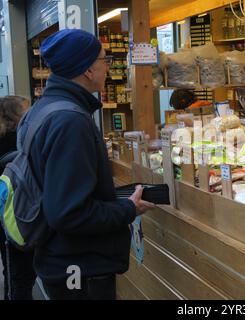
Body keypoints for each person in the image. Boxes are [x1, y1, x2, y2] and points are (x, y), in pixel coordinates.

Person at [23, 29, 155, 300]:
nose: (107, 66)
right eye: (104, 60)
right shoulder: (70, 122)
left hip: (60, 259)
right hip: (78, 268)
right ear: (87, 69)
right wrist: (127, 208)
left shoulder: (43, 109)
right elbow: (69, 213)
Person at [0, 96, 35, 300]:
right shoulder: (20, 140)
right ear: (16, 116)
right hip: (18, 215)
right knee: (19, 276)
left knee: (13, 272)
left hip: (6, 215)